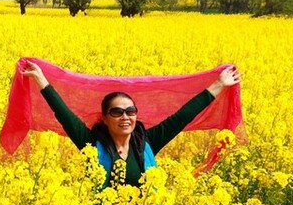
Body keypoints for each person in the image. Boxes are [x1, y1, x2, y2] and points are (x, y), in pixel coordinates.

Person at [21, 61, 242, 187]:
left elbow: (182, 116)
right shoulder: (91, 144)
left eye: (130, 111)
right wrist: (41, 79)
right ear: (105, 118)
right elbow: (64, 115)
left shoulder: (146, 142)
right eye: (116, 112)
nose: (125, 117)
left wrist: (219, 85)